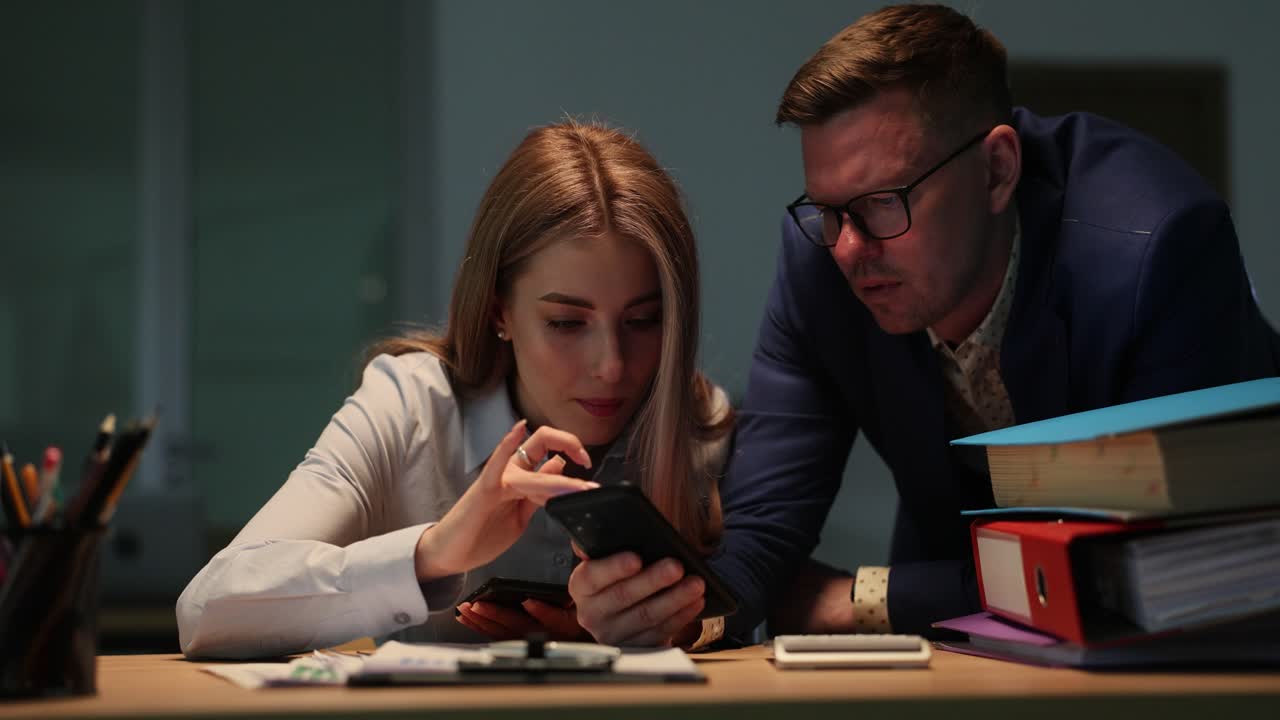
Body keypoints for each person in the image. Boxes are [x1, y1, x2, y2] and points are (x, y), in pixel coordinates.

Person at [575, 3, 1280, 646]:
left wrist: (862, 598)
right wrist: (667, 612)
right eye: (829, 208)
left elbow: (1148, 571)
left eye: (883, 201)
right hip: (958, 635)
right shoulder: (821, 259)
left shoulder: (1155, 246)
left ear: (999, 170)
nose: (849, 247)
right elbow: (761, 534)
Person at [176, 121, 733, 658]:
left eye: (643, 321)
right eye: (566, 323)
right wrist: (436, 552)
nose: (611, 366)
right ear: (499, 313)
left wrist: (674, 631)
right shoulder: (409, 405)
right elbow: (206, 611)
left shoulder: (698, 422)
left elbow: (744, 613)